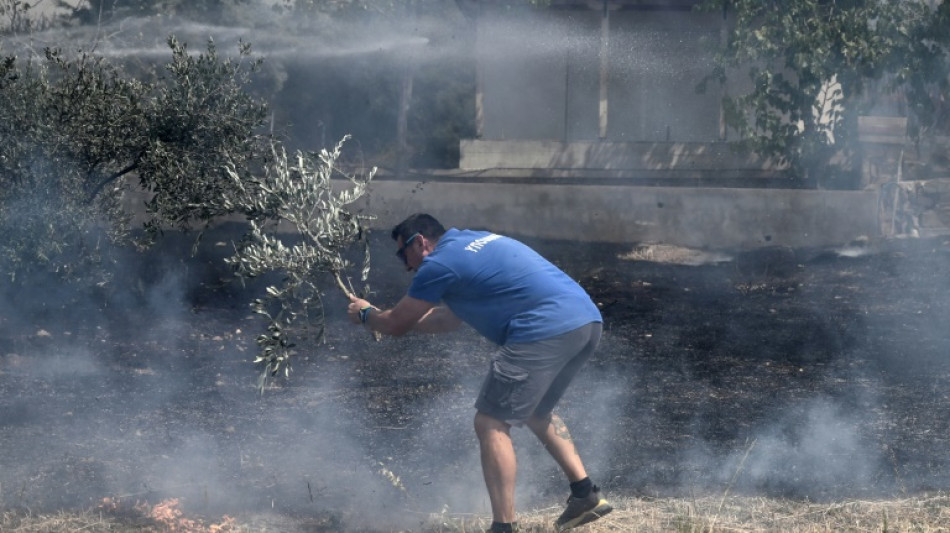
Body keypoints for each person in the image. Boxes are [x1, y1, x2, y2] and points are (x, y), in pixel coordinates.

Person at [346, 213, 612, 533]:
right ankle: (585, 496)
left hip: (543, 329)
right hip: (584, 322)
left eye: (404, 255)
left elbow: (396, 324)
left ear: (421, 242)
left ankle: (503, 527)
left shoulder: (438, 264)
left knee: (490, 422)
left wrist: (366, 315)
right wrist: (389, 319)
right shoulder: (471, 241)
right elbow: (447, 320)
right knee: (537, 411)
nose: (406, 266)